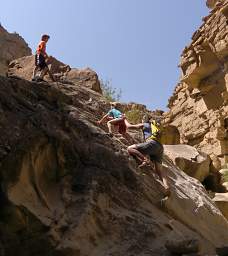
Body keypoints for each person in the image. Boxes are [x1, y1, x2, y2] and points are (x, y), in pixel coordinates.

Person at [127, 115, 170, 195]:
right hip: (160, 147)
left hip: (152, 143)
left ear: (144, 119)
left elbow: (129, 126)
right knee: (159, 171)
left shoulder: (145, 124)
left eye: (142, 119)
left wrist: (124, 119)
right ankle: (166, 186)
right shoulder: (154, 126)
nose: (142, 120)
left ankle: (145, 160)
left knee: (130, 148)